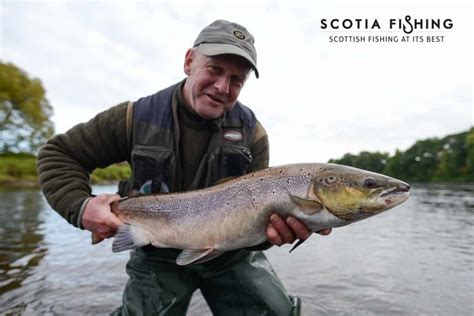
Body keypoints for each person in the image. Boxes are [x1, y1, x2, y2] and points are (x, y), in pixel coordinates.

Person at [37, 19, 331, 315]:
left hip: (231, 255)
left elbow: (259, 228)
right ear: (189, 61)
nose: (222, 87)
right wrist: (81, 206)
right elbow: (58, 154)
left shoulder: (253, 135)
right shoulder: (133, 117)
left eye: (236, 80)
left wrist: (274, 236)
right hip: (156, 253)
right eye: (214, 69)